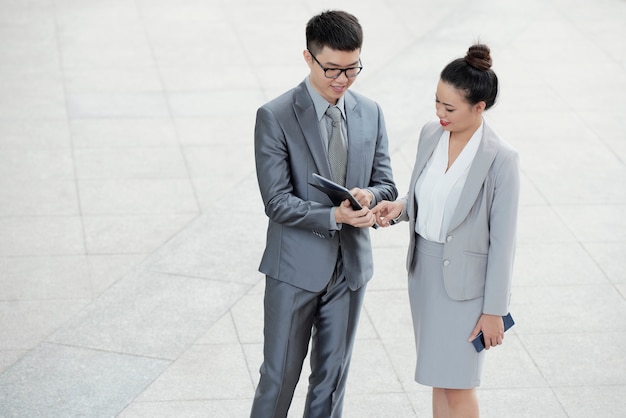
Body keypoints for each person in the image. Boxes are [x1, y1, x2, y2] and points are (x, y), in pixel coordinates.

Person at [250, 10, 397, 418]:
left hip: (350, 272)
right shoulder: (275, 116)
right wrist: (335, 216)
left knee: (331, 383)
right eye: (332, 69)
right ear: (308, 57)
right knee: (278, 380)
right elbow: (276, 201)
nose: (343, 80)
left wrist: (367, 196)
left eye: (353, 69)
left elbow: (387, 183)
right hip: (294, 270)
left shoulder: (371, 112)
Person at [372, 44, 519, 418]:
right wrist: (402, 208)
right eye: (436, 103)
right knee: (440, 380)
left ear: (479, 107)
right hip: (426, 276)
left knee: (459, 385)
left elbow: (504, 243)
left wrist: (494, 311)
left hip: (467, 289)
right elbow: (429, 193)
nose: (439, 114)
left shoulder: (501, 160)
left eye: (449, 108)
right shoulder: (431, 135)